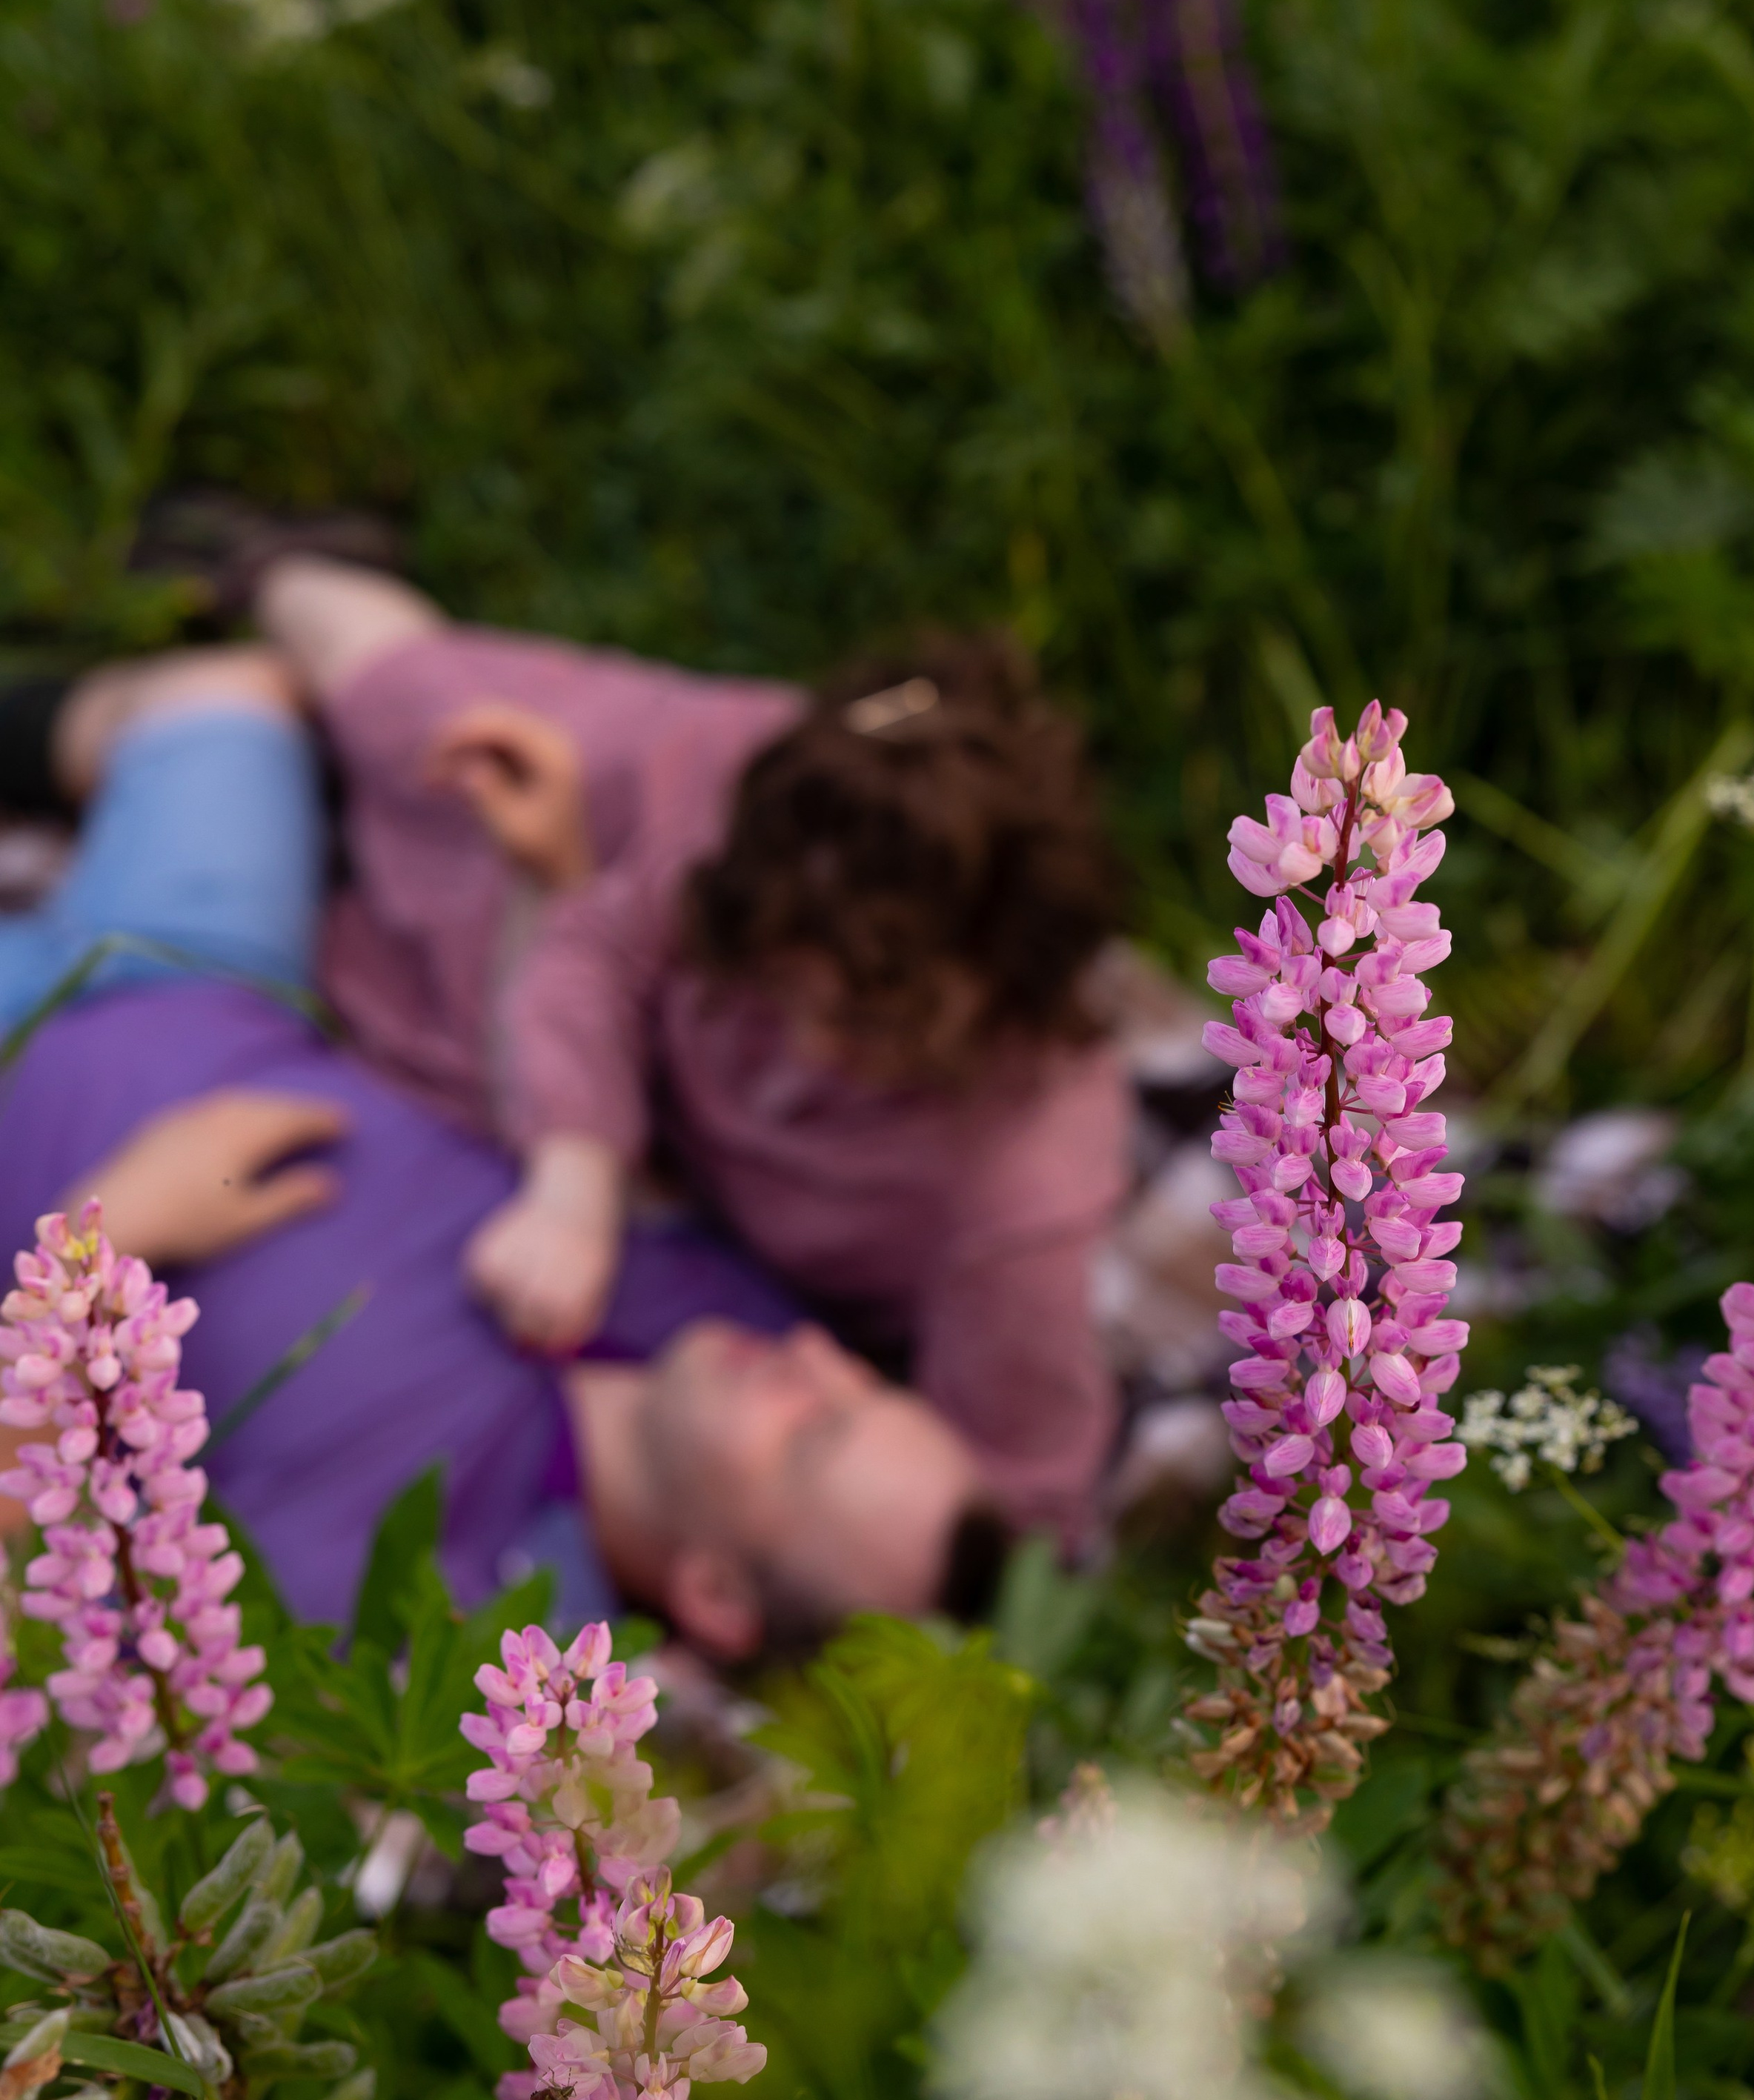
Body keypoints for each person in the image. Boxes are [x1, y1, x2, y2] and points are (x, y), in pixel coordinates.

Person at [0, 656, 1003, 1653]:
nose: (818, 1358)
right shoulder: (728, 1321)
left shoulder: (414, 1595)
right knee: (226, 697)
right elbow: (569, 1105)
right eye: (868, 1386)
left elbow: (35, 1577)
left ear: (718, 1594)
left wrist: (109, 1234)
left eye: (814, 1431)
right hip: (209, 979)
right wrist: (552, 886)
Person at [227, 546, 1131, 1549]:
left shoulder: (1016, 1195)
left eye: (879, 1024)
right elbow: (601, 942)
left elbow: (1012, 1521)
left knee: (433, 1004)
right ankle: (267, 562)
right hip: (624, 822)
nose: (814, 1044)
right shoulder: (769, 821)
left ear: (1014, 994)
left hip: (617, 1118)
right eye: (784, 986)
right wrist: (577, 1178)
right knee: (415, 710)